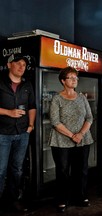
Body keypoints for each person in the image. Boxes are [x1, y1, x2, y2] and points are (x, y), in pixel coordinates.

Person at [48, 66, 94, 213]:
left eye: (76, 78)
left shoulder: (82, 97)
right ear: (63, 80)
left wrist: (80, 134)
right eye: (71, 78)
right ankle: (62, 198)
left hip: (83, 139)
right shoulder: (57, 98)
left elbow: (89, 117)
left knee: (81, 170)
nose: (75, 80)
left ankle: (80, 196)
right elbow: (55, 122)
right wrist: (72, 135)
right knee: (63, 171)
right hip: (61, 140)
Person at [0, 53, 36, 212]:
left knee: (17, 169)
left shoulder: (27, 85)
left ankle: (13, 200)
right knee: (0, 169)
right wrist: (9, 112)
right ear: (9, 65)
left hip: (22, 133)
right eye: (18, 63)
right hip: (2, 133)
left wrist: (30, 125)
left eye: (24, 64)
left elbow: (32, 106)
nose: (22, 67)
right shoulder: (0, 83)